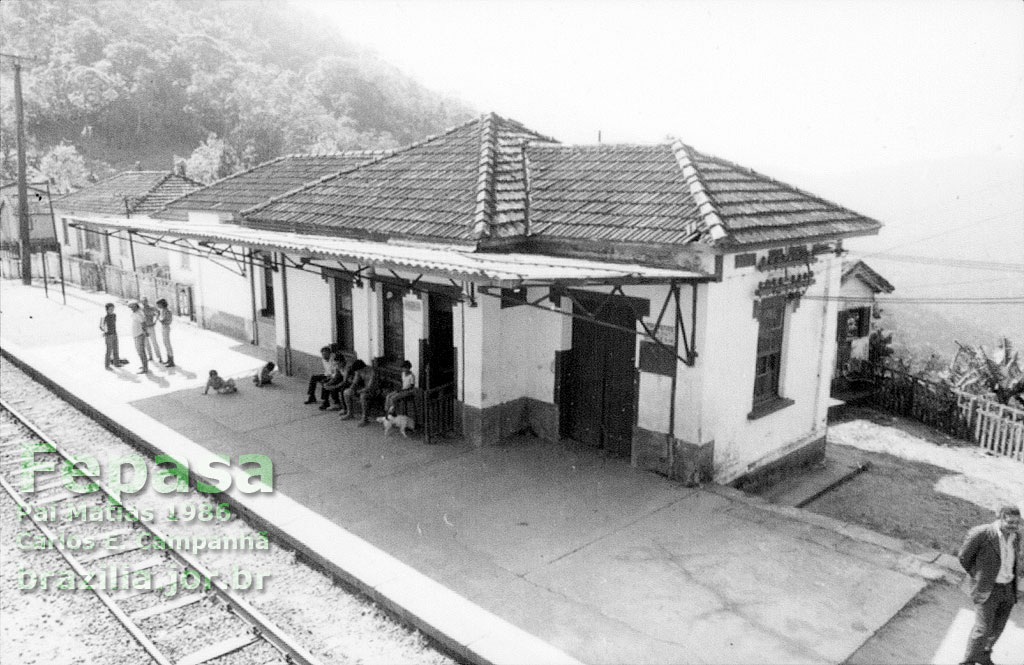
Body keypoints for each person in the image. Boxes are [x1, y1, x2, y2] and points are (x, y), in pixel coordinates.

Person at [958, 504, 1023, 665]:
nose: (1014, 526)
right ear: (1000, 519)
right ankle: (968, 662)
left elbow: (1016, 559)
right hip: (987, 589)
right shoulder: (982, 533)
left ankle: (983, 655)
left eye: (1017, 523)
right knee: (982, 630)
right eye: (1010, 522)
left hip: (1008, 589)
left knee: (997, 628)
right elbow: (964, 557)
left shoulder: (1017, 536)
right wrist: (979, 576)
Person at [341, 359, 378, 425]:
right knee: (346, 392)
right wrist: (351, 388)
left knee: (363, 396)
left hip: (373, 390)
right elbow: (355, 382)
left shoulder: (372, 372)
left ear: (363, 368)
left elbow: (370, 387)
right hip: (364, 388)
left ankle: (365, 418)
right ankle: (350, 413)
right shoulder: (359, 371)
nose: (358, 372)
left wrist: (359, 391)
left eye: (359, 371)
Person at [99, 303, 128, 370]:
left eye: (113, 309)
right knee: (109, 351)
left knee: (116, 349)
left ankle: (116, 363)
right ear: (107, 310)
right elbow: (101, 326)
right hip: (108, 336)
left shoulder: (114, 315)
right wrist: (105, 331)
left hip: (115, 334)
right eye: (110, 309)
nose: (112, 310)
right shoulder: (104, 317)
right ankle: (107, 365)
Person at [127, 300, 149, 374]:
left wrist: (145, 332)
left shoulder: (138, 314)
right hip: (137, 334)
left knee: (141, 351)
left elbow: (143, 323)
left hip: (139, 334)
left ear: (135, 306)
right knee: (140, 351)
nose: (131, 309)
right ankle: (144, 365)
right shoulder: (137, 312)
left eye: (132, 307)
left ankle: (145, 368)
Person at [141, 297, 164, 364]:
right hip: (144, 327)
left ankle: (159, 357)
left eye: (145, 301)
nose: (144, 302)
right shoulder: (141, 309)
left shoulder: (151, 307)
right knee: (146, 342)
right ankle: (150, 356)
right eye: (143, 301)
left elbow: (158, 312)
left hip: (151, 326)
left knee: (154, 342)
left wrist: (155, 321)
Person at [155, 298, 175, 367]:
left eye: (158, 304)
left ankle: (171, 361)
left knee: (167, 344)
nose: (158, 306)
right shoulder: (163, 310)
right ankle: (169, 359)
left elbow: (163, 320)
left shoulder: (167, 311)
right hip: (164, 327)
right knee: (165, 344)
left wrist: (158, 317)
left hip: (166, 327)